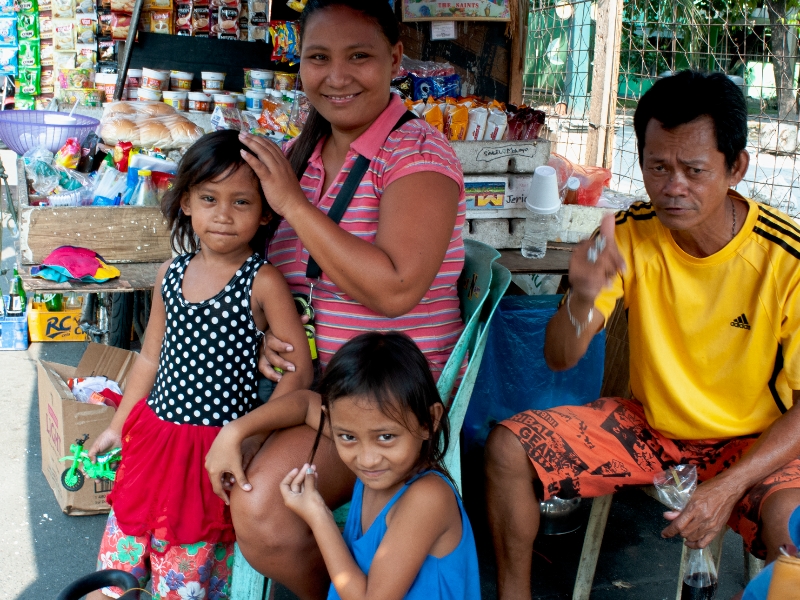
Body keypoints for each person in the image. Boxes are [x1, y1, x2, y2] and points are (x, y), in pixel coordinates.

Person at [484, 69, 800, 600]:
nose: (672, 186)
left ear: (736, 167)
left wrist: (728, 486)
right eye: (658, 166)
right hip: (653, 432)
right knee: (507, 448)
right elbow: (561, 358)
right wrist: (581, 298)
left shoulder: (785, 260)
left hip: (755, 443)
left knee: (794, 525)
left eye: (694, 170)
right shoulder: (627, 233)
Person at [211, 1, 466, 597]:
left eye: (360, 57)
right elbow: (286, 275)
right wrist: (269, 327)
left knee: (264, 511)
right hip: (316, 386)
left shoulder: (417, 155)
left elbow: (396, 288)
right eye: (318, 58)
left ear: (395, 59)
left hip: (385, 396)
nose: (337, 76)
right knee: (201, 453)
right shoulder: (305, 152)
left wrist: (293, 206)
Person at [85, 130, 313, 600]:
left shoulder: (264, 281)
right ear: (187, 201)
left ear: (266, 210)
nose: (224, 215)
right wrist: (118, 424)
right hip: (153, 441)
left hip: (213, 453)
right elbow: (150, 357)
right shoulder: (171, 271)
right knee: (118, 568)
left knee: (185, 579)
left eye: (242, 203)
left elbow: (300, 375)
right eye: (209, 198)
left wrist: (256, 439)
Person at [213, 332, 480, 600]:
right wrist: (235, 432)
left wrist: (319, 516)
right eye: (347, 437)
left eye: (386, 437)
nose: (366, 458)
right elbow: (306, 404)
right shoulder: (375, 458)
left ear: (428, 422)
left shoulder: (427, 498)